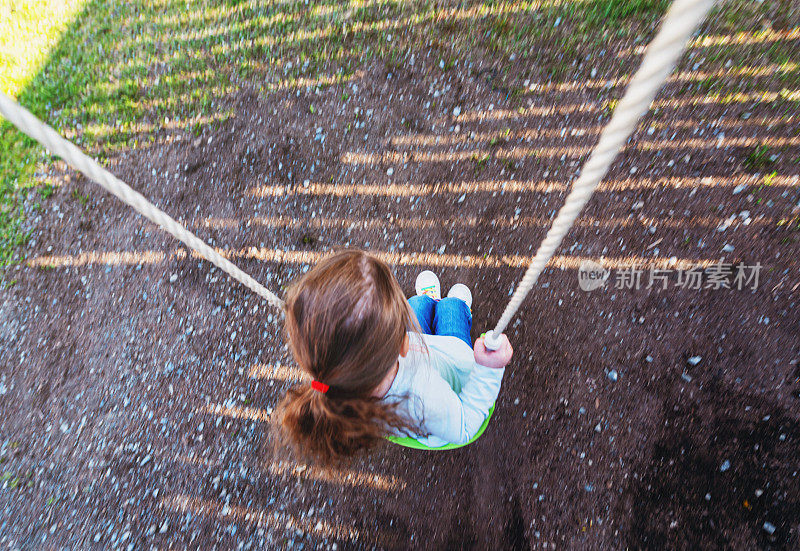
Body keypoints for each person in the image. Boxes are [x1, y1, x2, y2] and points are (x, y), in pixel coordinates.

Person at [278, 250, 513, 463]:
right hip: (450, 356)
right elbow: (465, 425)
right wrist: (489, 369)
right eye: (400, 312)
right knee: (451, 309)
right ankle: (455, 306)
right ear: (403, 344)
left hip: (419, 350)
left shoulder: (342, 386)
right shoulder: (424, 400)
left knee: (418, 304)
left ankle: (428, 300)